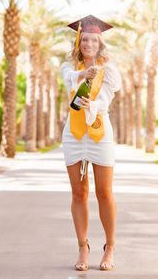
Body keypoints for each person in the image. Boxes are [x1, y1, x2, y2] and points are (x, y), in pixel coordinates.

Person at [60, 14, 121, 271]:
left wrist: (93, 104)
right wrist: (84, 73)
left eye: (93, 40)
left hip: (99, 132)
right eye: (84, 39)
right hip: (74, 134)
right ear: (78, 42)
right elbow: (68, 80)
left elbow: (106, 98)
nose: (88, 44)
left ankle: (109, 247)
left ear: (100, 42)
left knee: (104, 193)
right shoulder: (68, 67)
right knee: (79, 193)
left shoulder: (109, 69)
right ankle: (83, 247)